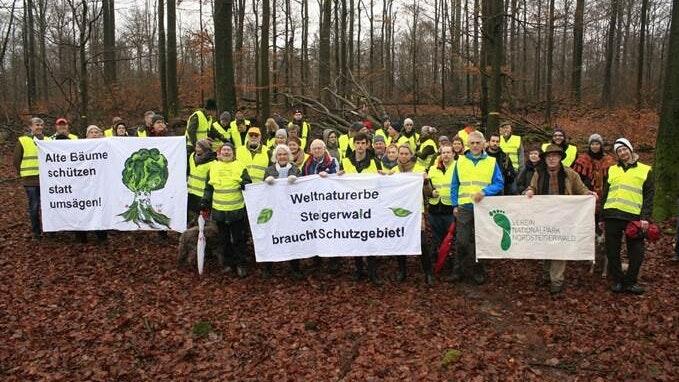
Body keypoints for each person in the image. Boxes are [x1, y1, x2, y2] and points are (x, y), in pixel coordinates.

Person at [524, 144, 596, 294]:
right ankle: (547, 273)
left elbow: (580, 189)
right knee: (545, 245)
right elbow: (532, 187)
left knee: (559, 247)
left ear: (559, 158)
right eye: (549, 156)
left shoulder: (570, 174)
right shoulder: (539, 173)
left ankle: (557, 280)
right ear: (545, 159)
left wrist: (589, 194)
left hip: (564, 217)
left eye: (555, 156)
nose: (551, 159)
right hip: (544, 216)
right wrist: (530, 190)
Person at [450, 131, 504, 285]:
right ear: (468, 144)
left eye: (477, 143)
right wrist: (455, 204)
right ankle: (458, 270)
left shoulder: (491, 162)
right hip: (464, 206)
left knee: (480, 241)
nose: (474, 146)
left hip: (483, 207)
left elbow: (499, 183)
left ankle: (478, 270)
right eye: (472, 143)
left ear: (483, 144)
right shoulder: (459, 161)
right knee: (461, 241)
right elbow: (455, 185)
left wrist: (485, 192)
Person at [602, 138, 654, 295]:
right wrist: (601, 218)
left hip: (634, 217)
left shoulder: (645, 170)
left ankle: (631, 282)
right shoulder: (612, 170)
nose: (622, 152)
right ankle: (618, 281)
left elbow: (649, 195)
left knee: (637, 252)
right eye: (619, 151)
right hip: (612, 215)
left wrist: (645, 217)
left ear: (630, 149)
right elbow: (605, 194)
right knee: (612, 251)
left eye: (624, 149)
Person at [201, 143, 252, 277]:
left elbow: (248, 184)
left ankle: (241, 264)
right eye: (224, 150)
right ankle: (228, 264)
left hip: (237, 210)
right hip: (219, 211)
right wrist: (205, 202)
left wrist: (243, 183)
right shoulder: (213, 167)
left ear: (233, 153)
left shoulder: (240, 166)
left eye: (229, 150)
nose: (226, 152)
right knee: (223, 239)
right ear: (220, 153)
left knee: (239, 239)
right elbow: (208, 188)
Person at [339, 132, 382, 284]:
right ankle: (359, 271)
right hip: (352, 209)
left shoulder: (375, 162)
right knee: (356, 239)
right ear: (353, 144)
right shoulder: (345, 162)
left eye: (363, 143)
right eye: (357, 143)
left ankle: (373, 272)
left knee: (370, 239)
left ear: (367, 144)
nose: (360, 146)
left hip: (370, 209)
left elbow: (381, 185)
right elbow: (337, 183)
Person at [390, 144, 434, 285]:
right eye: (401, 153)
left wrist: (426, 181)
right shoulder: (393, 171)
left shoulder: (419, 170)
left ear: (411, 155)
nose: (403, 156)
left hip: (416, 212)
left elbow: (428, 193)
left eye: (406, 153)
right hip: (398, 212)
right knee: (400, 241)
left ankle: (428, 272)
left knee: (421, 242)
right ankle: (402, 271)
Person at [263, 144, 303, 279]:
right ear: (275, 157)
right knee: (272, 236)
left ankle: (295, 268)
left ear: (289, 156)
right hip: (274, 209)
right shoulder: (269, 170)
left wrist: (296, 183)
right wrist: (266, 183)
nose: (282, 157)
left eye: (285, 154)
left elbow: (302, 190)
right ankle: (268, 267)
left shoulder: (296, 170)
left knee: (292, 237)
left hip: (290, 210)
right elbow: (263, 191)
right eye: (279, 154)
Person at [302, 139, 340, 273]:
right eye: (315, 148)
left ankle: (334, 259)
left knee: (331, 230)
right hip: (312, 203)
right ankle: (316, 258)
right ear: (311, 151)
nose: (317, 150)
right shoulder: (307, 164)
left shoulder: (333, 161)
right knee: (315, 230)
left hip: (329, 203)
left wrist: (328, 176)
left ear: (324, 149)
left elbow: (338, 179)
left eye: (319, 148)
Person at [14, 117, 49, 240]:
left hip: (47, 181)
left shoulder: (48, 140)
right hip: (31, 181)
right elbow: (16, 160)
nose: (39, 127)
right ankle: (36, 232)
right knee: (34, 206)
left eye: (41, 125)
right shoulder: (23, 141)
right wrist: (23, 174)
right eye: (36, 125)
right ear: (30, 127)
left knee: (49, 207)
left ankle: (49, 230)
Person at [75, 125, 109, 244]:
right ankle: (81, 236)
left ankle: (101, 235)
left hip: (101, 185)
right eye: (91, 132)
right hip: (83, 185)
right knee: (82, 209)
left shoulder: (107, 147)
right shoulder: (79, 148)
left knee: (99, 210)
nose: (94, 134)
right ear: (87, 135)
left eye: (96, 132)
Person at [426, 144, 456, 279]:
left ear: (453, 154)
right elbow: (426, 185)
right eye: (443, 152)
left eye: (448, 152)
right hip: (434, 209)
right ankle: (437, 263)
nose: (446, 155)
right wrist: (430, 191)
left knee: (449, 238)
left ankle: (450, 263)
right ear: (440, 154)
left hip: (450, 209)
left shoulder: (458, 168)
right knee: (437, 237)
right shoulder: (432, 169)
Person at [187, 139, 216, 224]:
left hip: (203, 195)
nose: (197, 148)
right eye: (196, 146)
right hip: (191, 192)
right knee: (193, 217)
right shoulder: (192, 156)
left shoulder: (212, 163)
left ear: (205, 148)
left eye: (199, 147)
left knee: (203, 219)